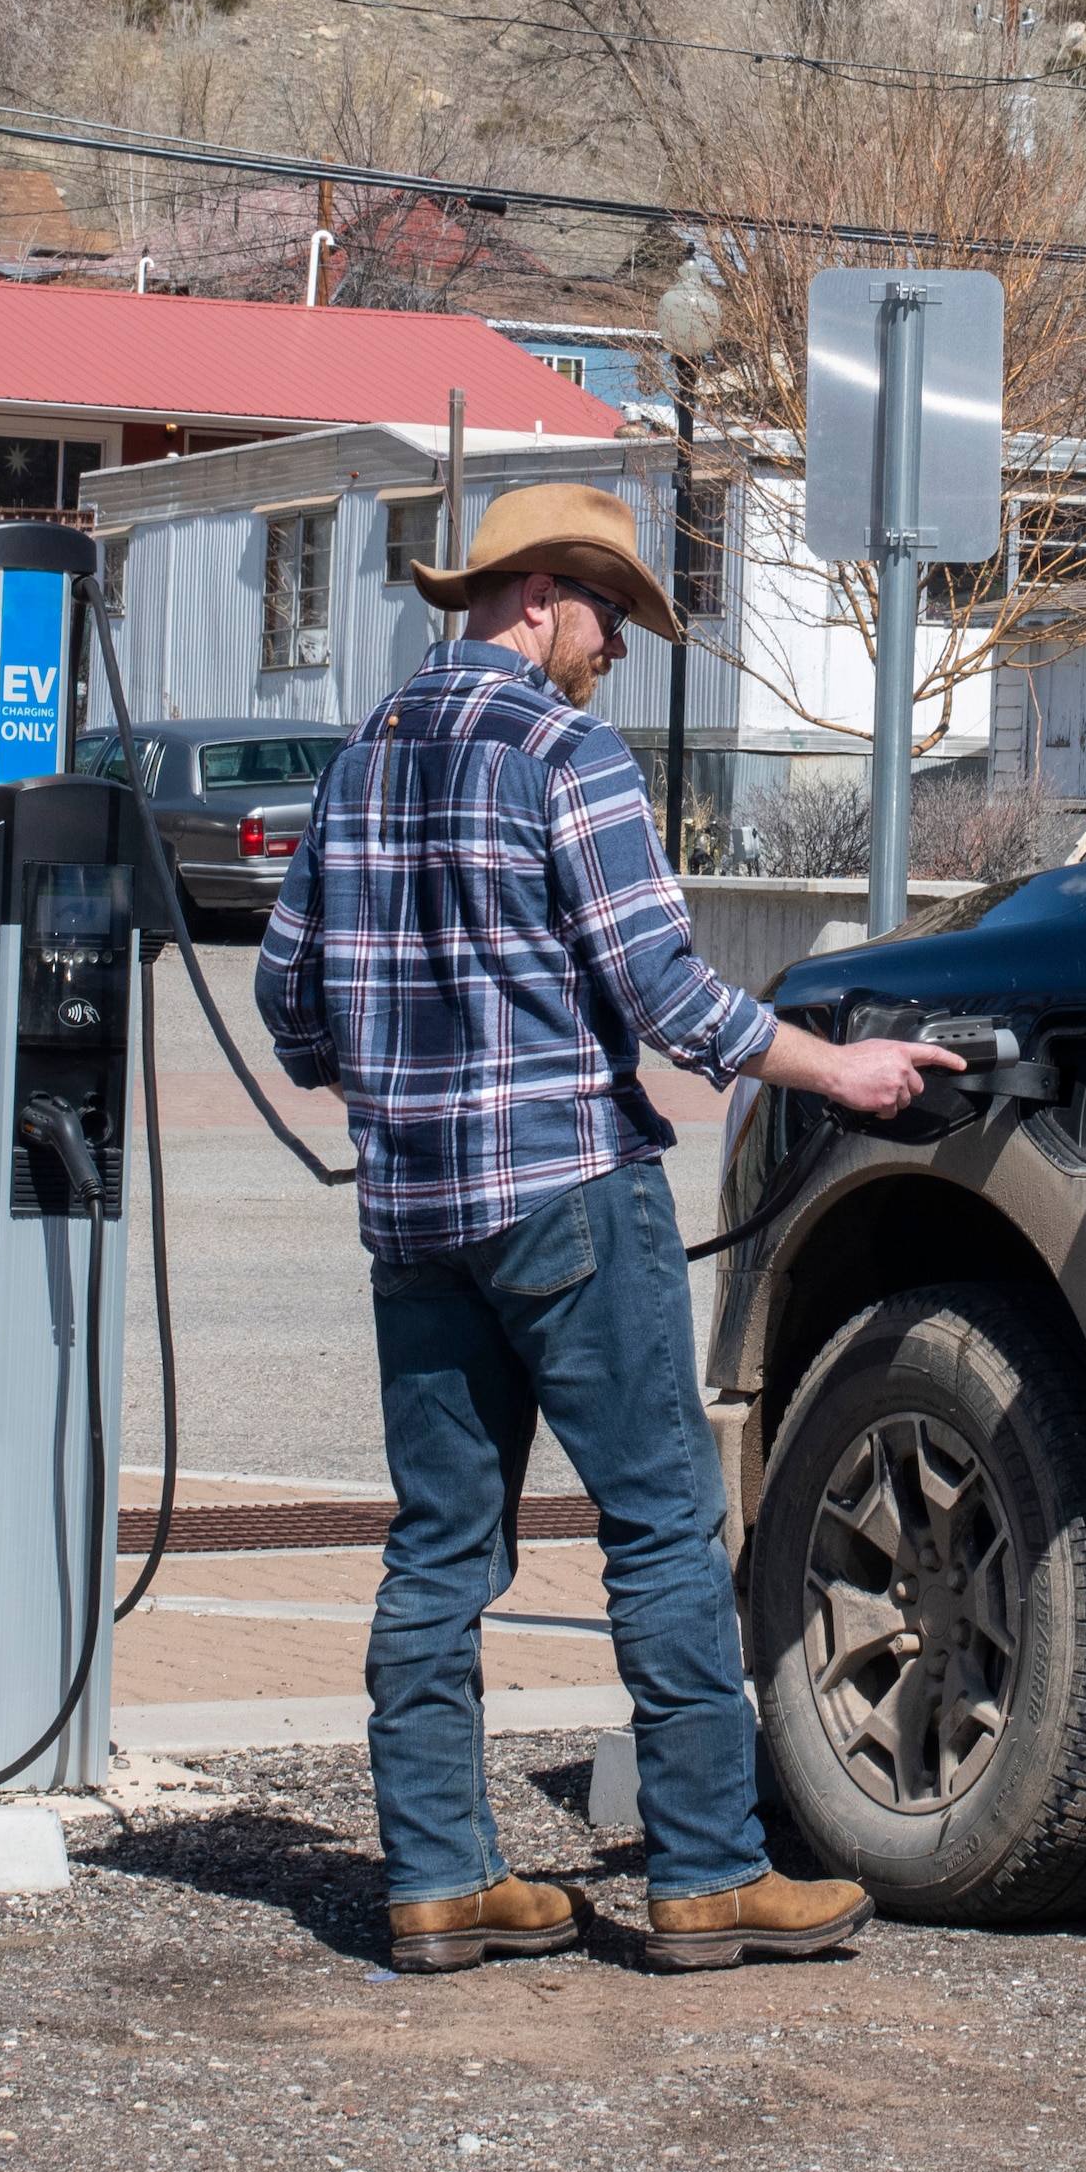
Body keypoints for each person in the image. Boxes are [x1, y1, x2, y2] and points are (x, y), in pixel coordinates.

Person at [256, 479, 960, 1974]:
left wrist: (386, 1078)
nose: (618, 649)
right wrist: (840, 1070)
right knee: (659, 1525)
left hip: (413, 1216)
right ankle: (708, 1871)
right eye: (611, 617)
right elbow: (664, 991)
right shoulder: (565, 753)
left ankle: (438, 1878)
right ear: (540, 597)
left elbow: (287, 1000)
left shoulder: (360, 759)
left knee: (439, 1546)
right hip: (569, 1194)